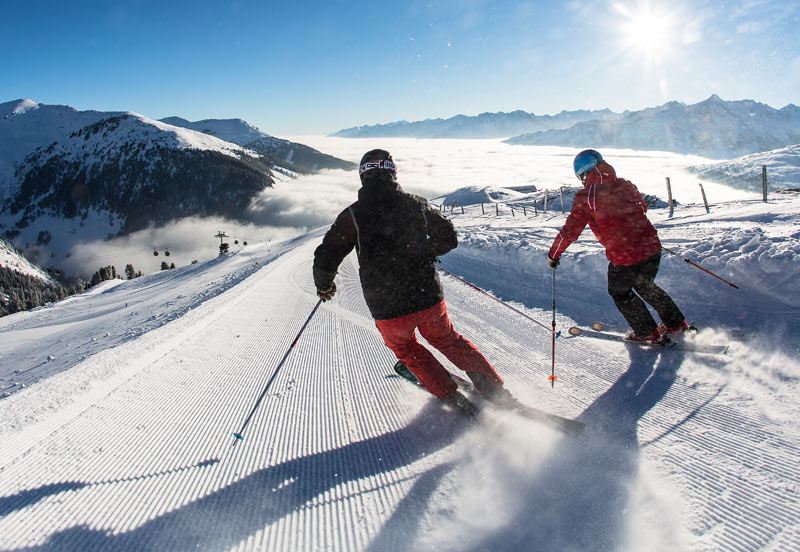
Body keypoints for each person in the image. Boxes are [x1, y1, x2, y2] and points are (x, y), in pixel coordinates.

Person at [313, 149, 510, 414]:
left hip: (386, 306)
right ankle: (496, 391)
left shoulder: (353, 215)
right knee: (447, 339)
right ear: (392, 172)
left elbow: (327, 254)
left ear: (363, 177)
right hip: (427, 296)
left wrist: (325, 285)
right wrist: (427, 252)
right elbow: (448, 237)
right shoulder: (416, 204)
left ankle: (451, 397)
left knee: (405, 348)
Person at [547, 149, 689, 343]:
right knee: (645, 285)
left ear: (584, 173)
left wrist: (554, 255)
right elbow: (642, 208)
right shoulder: (625, 184)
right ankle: (676, 324)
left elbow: (570, 231)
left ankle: (646, 332)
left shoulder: (588, 197)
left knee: (620, 292)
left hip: (625, 255)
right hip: (652, 247)